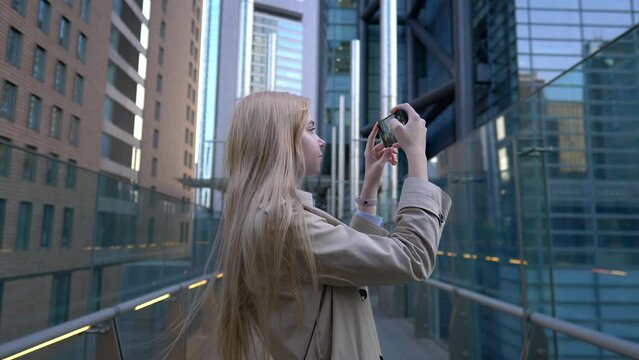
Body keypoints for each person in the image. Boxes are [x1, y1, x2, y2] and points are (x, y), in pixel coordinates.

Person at [215, 91, 451, 360]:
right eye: (311, 130)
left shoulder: (265, 216)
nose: (321, 141)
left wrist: (369, 187)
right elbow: (412, 257)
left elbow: (352, 267)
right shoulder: (282, 224)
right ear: (279, 141)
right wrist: (418, 156)